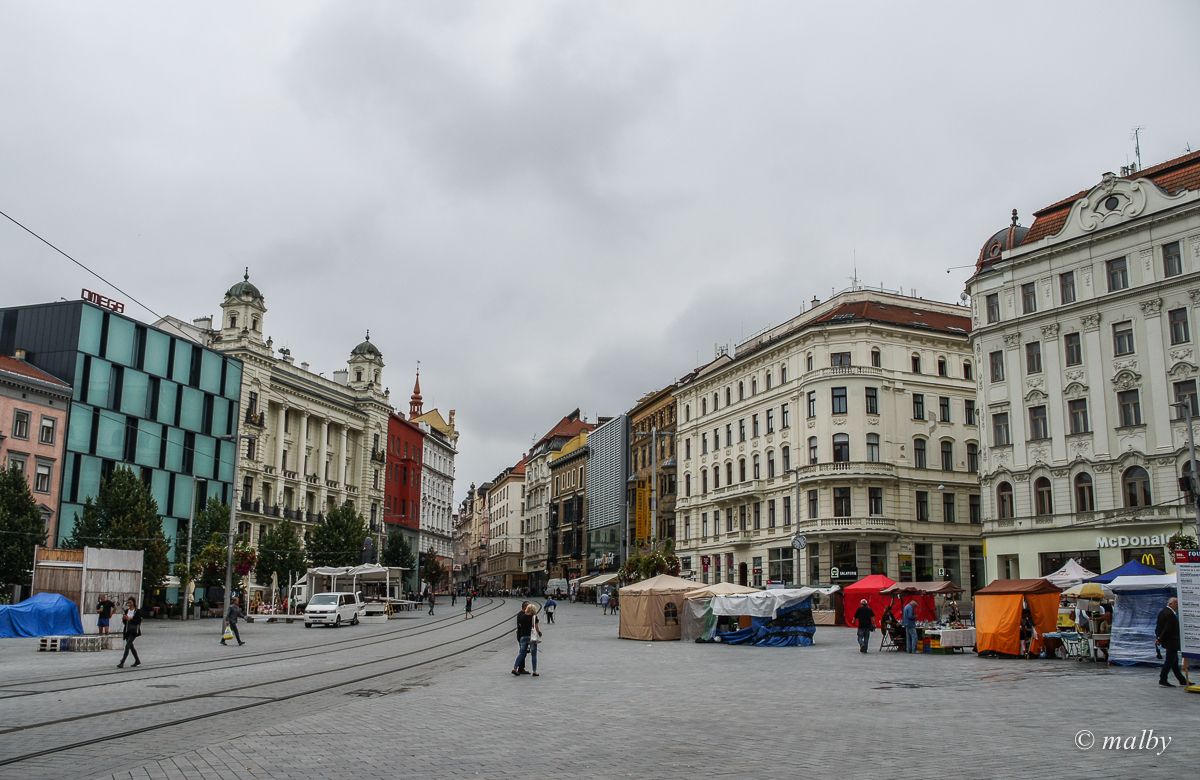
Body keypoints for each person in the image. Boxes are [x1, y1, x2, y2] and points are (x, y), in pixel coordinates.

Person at [1156, 597, 1189, 688]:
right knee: (1169, 662)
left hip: (1169, 642)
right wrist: (1160, 639)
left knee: (1174, 662)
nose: (1178, 606)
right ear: (1171, 604)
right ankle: (1162, 680)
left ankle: (1182, 680)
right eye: (1176, 604)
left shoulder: (1163, 612)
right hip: (1172, 642)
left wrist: (1159, 637)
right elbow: (1167, 629)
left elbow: (1159, 627)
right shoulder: (1170, 614)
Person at [117, 597, 142, 668]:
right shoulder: (126, 610)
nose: (129, 604)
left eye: (130, 602)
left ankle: (122, 662)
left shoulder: (137, 611)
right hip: (127, 630)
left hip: (134, 631)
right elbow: (125, 622)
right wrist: (124, 619)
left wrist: (130, 619)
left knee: (127, 646)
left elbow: (138, 621)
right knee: (131, 646)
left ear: (134, 603)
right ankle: (137, 660)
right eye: (128, 602)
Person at [512, 602, 535, 676]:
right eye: (528, 606)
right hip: (522, 635)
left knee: (523, 653)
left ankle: (520, 668)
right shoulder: (522, 615)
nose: (529, 608)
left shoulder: (521, 614)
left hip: (521, 636)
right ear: (525, 607)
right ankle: (520, 669)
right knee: (523, 653)